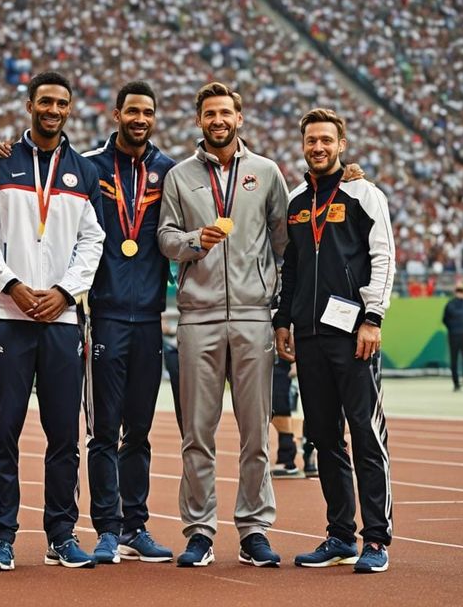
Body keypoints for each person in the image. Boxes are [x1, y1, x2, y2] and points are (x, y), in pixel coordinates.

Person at [0, 74, 106, 570]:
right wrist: (13, 286)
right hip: (9, 316)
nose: (53, 109)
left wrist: (66, 291)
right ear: (30, 105)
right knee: (4, 430)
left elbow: (94, 240)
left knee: (64, 435)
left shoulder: (84, 172)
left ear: (70, 110)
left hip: (63, 319)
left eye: (61, 103)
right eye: (45, 101)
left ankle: (61, 535)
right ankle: (2, 536)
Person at [157, 81, 288, 568]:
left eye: (226, 113)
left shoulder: (266, 172)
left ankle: (254, 529)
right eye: (209, 113)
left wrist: (274, 300)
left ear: (240, 118)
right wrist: (196, 240)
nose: (218, 120)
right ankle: (200, 531)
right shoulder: (179, 176)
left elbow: (282, 240)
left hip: (255, 315)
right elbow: (165, 239)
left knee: (256, 431)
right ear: (198, 120)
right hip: (198, 316)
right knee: (197, 432)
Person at [274, 108, 395, 574]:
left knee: (365, 434)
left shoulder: (365, 194)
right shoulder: (297, 199)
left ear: (341, 144)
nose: (318, 147)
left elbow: (383, 257)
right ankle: (341, 535)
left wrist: (373, 318)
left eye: (326, 140)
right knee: (324, 438)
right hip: (308, 336)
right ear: (303, 145)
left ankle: (377, 540)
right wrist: (284, 320)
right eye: (311, 141)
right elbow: (293, 267)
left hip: (354, 336)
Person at [79, 82, 178, 563]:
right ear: (117, 114)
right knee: (103, 430)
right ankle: (107, 528)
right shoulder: (89, 166)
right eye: (132, 111)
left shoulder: (169, 172)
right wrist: (7, 146)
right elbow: (41, 164)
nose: (140, 119)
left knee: (138, 430)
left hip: (150, 319)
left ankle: (136, 525)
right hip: (105, 316)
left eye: (148, 112)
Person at [442, 282, 463, 391]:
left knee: (454, 360)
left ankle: (456, 384)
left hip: (453, 335)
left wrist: (451, 328)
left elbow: (445, 320)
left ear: (455, 292)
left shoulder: (449, 304)